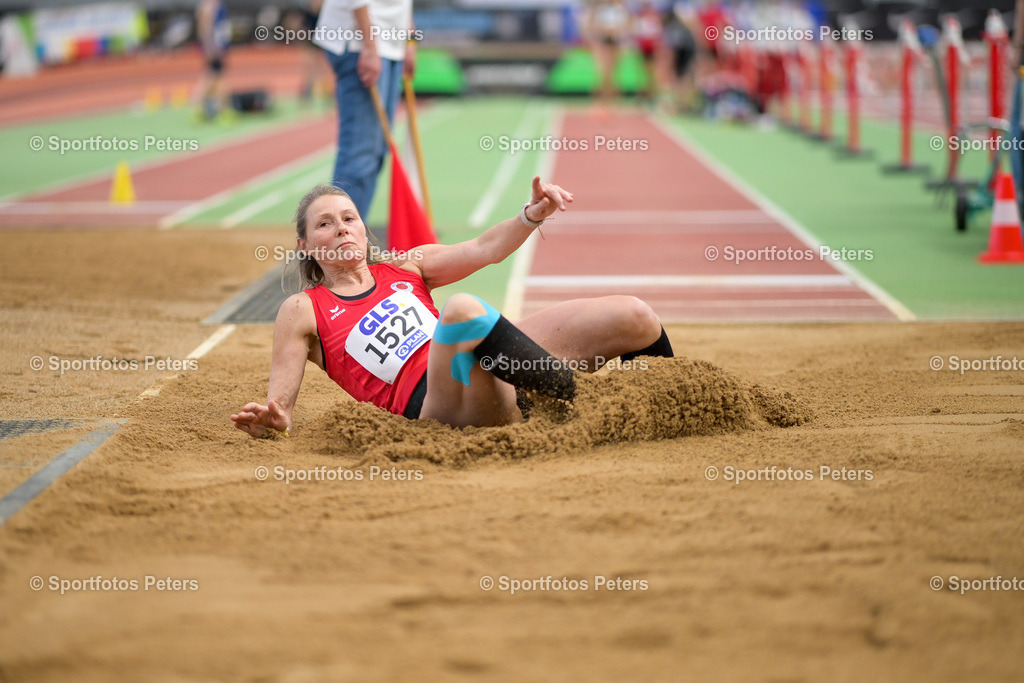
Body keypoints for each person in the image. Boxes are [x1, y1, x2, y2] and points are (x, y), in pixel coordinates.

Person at [231, 177, 675, 436]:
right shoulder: (304, 307)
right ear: (305, 246)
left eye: (349, 218)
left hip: (500, 372)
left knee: (634, 314)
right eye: (325, 224)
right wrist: (275, 415)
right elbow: (280, 403)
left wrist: (532, 214)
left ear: (364, 228)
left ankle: (677, 409)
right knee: (461, 311)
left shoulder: (408, 267)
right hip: (441, 407)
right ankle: (589, 405)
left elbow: (486, 247)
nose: (342, 229)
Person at [314, 0, 417, 219]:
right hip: (359, 42)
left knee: (377, 152)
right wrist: (369, 46)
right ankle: (339, 243)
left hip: (389, 44)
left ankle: (355, 237)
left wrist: (409, 40)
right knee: (360, 155)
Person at [194, 0, 231, 120]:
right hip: (214, 47)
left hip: (219, 46)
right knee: (216, 77)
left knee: (214, 77)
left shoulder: (216, 5)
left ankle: (204, 109)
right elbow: (204, 27)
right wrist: (209, 47)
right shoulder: (208, 6)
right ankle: (221, 110)